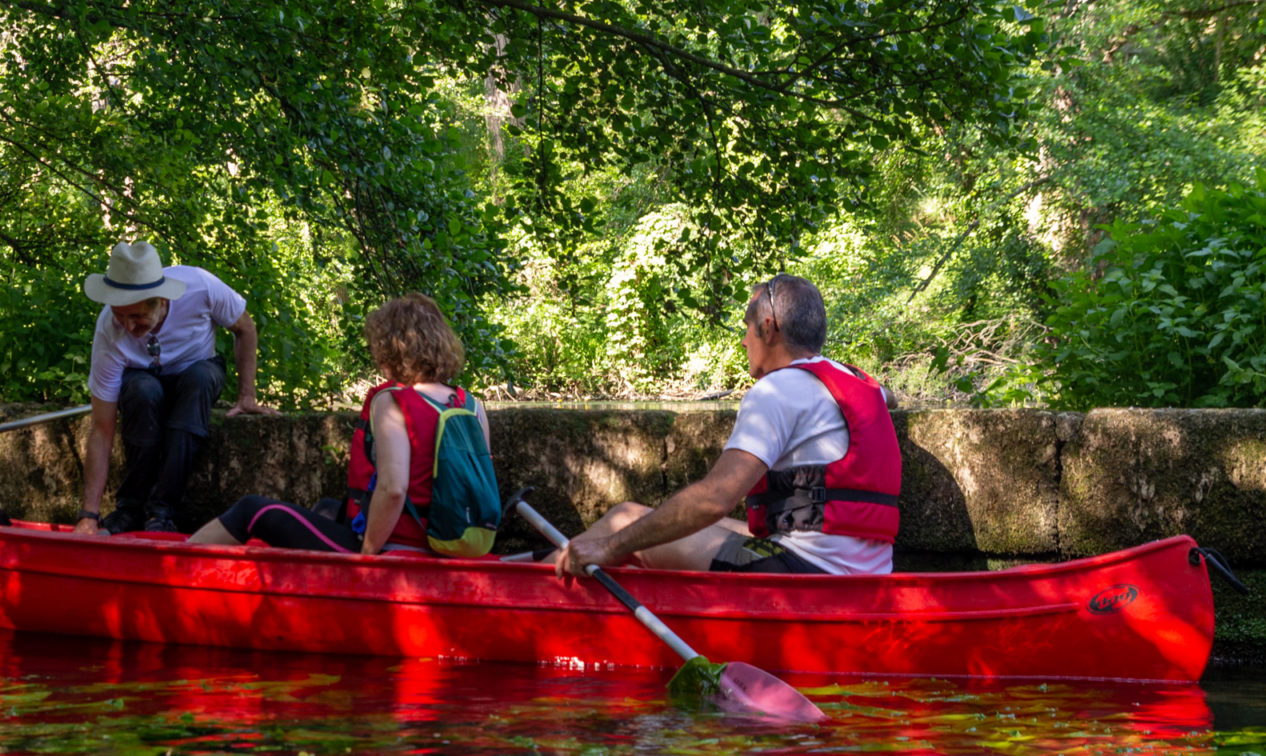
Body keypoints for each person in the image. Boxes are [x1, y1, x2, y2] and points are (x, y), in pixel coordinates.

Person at [555, 274, 900, 577]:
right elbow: (891, 397)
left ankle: (528, 590)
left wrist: (610, 548)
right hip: (865, 574)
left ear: (768, 327)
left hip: (804, 573)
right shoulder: (857, 382)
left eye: (746, 327)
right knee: (630, 513)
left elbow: (713, 501)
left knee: (623, 528)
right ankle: (547, 567)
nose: (743, 340)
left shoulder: (778, 390)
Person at [188, 293, 493, 555]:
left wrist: (367, 555)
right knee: (327, 508)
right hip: (448, 542)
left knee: (254, 510)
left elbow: (394, 489)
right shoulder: (472, 406)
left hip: (397, 546)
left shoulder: (393, 402)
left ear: (390, 349)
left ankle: (170, 564)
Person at [73, 241, 274, 536]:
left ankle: (162, 511)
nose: (127, 327)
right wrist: (87, 515)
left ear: (161, 301)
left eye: (137, 317)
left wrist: (247, 396)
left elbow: (245, 328)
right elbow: (102, 430)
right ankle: (129, 509)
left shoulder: (200, 287)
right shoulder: (108, 328)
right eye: (120, 315)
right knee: (143, 391)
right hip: (143, 381)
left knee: (199, 380)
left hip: (199, 370)